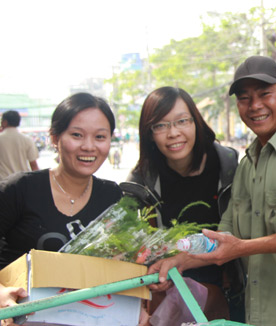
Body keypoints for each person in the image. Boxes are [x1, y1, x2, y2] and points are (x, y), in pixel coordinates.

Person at [149, 56, 276, 325]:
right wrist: (181, 261)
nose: (255, 106)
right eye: (244, 98)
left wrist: (242, 248)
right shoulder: (246, 163)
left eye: (265, 94)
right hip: (259, 314)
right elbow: (225, 236)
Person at [0, 93, 122, 321]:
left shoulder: (112, 195)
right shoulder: (19, 189)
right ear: (55, 138)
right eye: (77, 135)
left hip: (87, 317)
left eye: (100, 137)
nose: (89, 146)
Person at [127, 86, 240, 322]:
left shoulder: (229, 167)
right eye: (160, 125)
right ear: (149, 133)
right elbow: (125, 234)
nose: (173, 133)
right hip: (170, 292)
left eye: (182, 121)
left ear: (196, 122)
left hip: (230, 290)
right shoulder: (142, 181)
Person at [0, 110, 39, 180]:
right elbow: (34, 166)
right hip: (22, 183)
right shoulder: (27, 139)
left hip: (2, 183)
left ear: (5, 122)